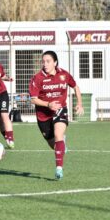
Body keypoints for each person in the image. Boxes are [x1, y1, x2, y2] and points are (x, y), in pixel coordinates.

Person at [29, 50, 84, 180]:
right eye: (43, 61)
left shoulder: (64, 74)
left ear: (55, 62)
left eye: (48, 61)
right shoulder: (37, 78)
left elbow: (75, 87)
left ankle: (59, 168)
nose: (45, 64)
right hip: (43, 114)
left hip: (60, 109)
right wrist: (48, 104)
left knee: (59, 134)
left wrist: (80, 103)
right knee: (53, 144)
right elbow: (33, 99)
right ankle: (61, 145)